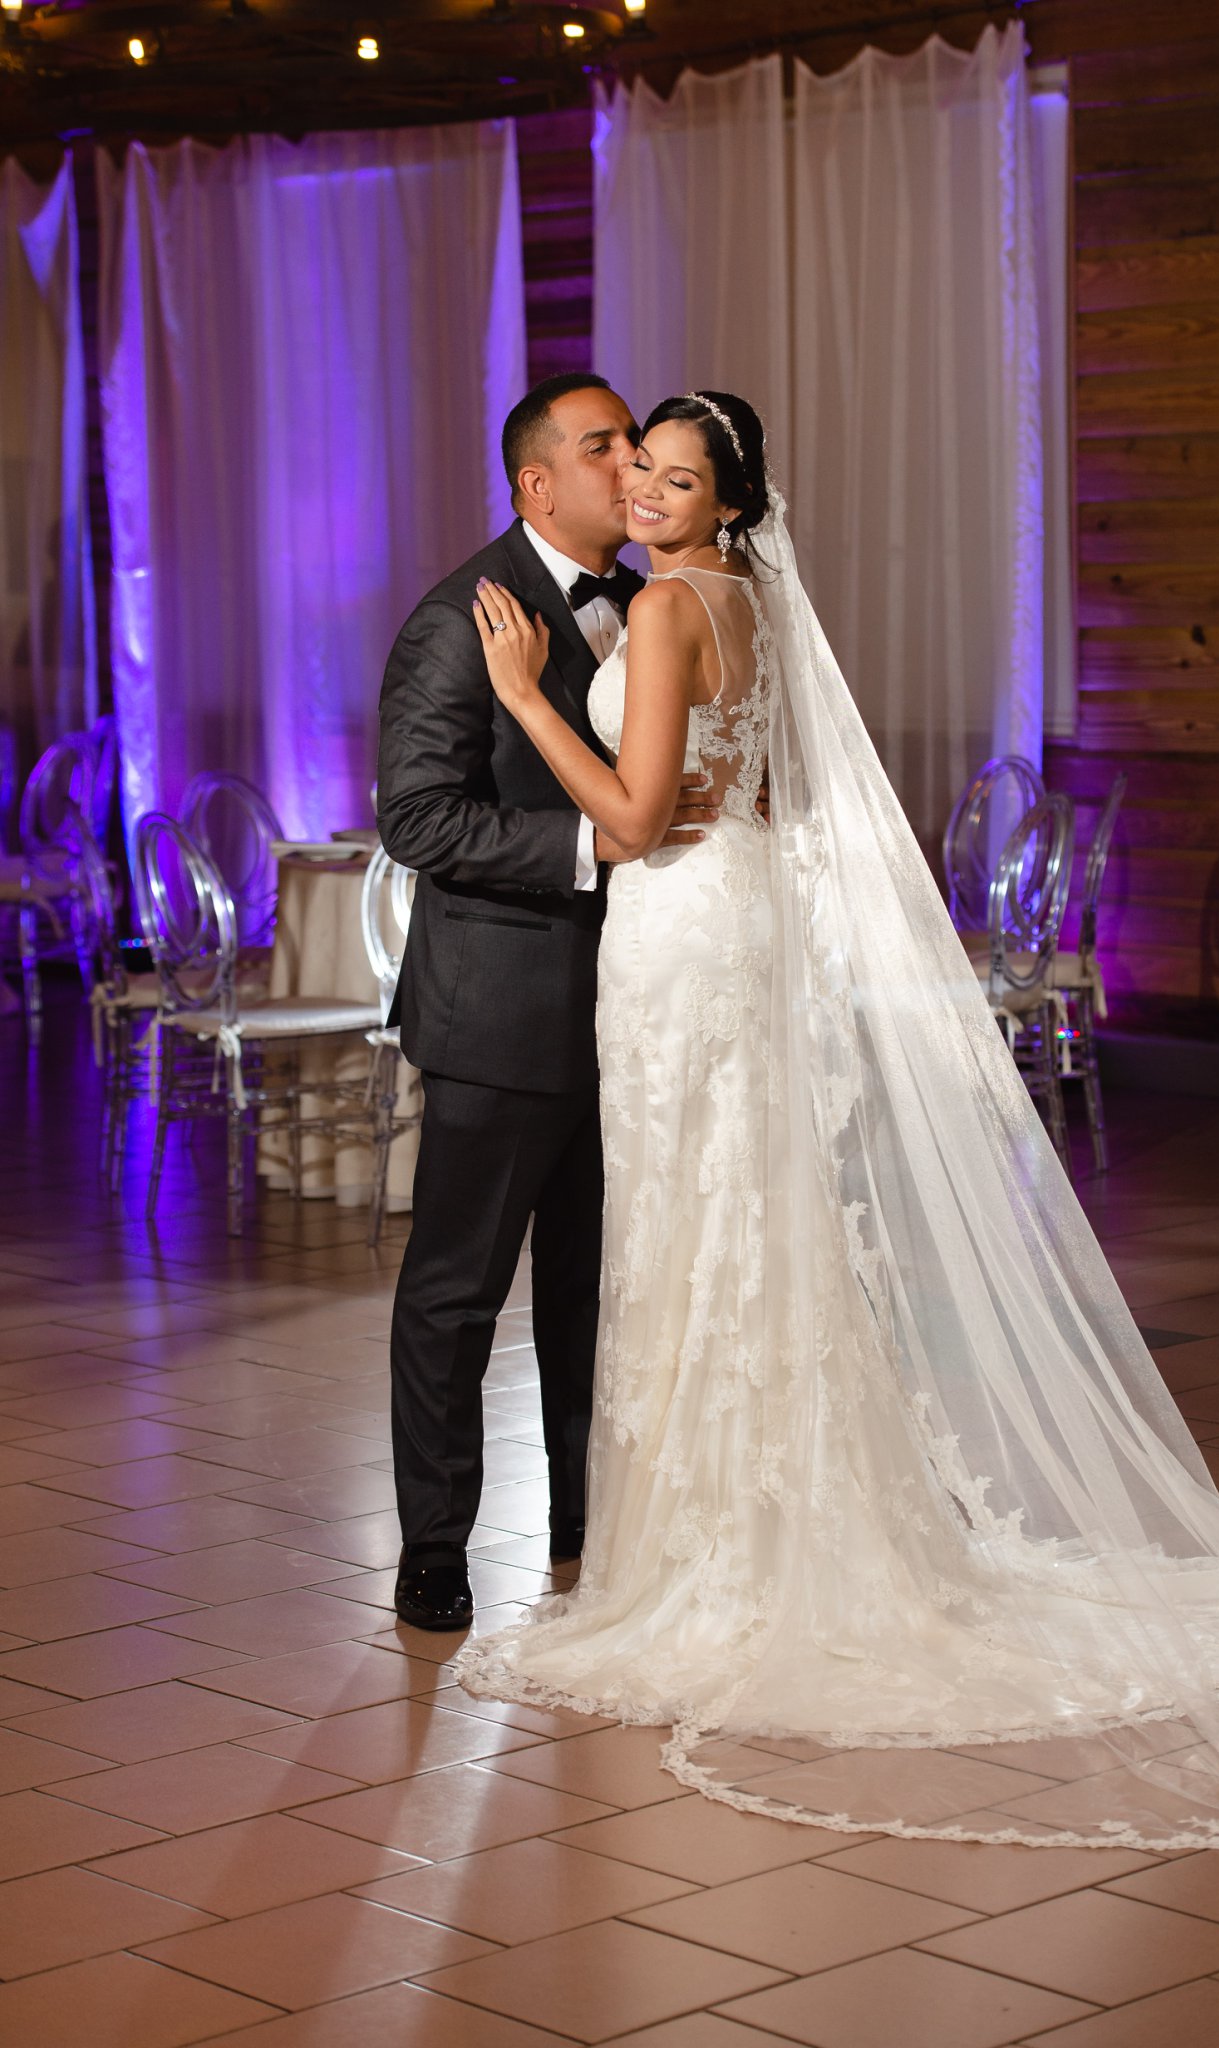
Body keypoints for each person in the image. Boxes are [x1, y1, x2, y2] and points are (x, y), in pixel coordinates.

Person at [455, 388, 1219, 1852]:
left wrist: (523, 700)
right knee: (746, 1220)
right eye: (641, 473)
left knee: (698, 1225)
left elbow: (628, 823)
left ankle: (720, 1559)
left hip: (681, 938)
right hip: (729, 923)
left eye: (677, 480)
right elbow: (736, 792)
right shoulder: (747, 598)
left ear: (727, 503)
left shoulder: (672, 608)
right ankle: (768, 1528)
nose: (646, 494)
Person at [376, 373, 717, 1632]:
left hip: (632, 1007)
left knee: (595, 1287)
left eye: (635, 443)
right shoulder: (459, 617)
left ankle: (586, 1520)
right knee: (458, 1290)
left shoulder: (652, 599)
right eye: (603, 445)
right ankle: (433, 1545)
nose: (630, 464)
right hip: (499, 1010)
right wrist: (592, 844)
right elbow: (418, 817)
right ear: (536, 481)